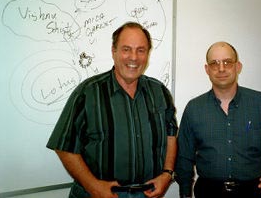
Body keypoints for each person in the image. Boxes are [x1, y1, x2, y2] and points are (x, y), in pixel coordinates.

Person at [47, 22, 178, 198]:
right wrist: (92, 186)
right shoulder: (88, 93)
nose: (134, 57)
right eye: (126, 49)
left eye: (141, 50)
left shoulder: (159, 91)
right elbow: (64, 146)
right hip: (96, 194)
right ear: (113, 51)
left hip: (147, 194)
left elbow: (170, 134)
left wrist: (167, 174)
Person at [175, 41, 261, 198]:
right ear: (207, 69)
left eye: (227, 62)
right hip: (209, 192)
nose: (221, 68)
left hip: (255, 192)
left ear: (238, 67)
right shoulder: (194, 108)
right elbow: (184, 156)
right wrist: (185, 193)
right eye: (214, 63)